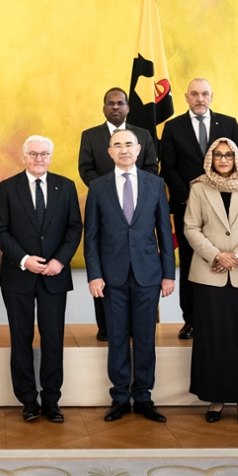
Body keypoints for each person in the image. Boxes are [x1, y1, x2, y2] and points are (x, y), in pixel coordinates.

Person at [84, 128, 175, 423]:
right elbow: (92, 237)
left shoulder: (155, 183)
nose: (124, 150)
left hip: (149, 274)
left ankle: (144, 396)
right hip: (112, 278)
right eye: (117, 145)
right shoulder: (98, 188)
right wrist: (94, 275)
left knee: (146, 339)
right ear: (109, 152)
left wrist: (168, 274)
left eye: (129, 145)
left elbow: (164, 231)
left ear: (138, 150)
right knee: (118, 338)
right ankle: (120, 397)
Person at [0, 135, 82, 423]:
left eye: (44, 154)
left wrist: (59, 261)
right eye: (33, 154)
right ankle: (28, 400)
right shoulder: (7, 187)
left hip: (55, 275)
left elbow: (74, 228)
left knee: (53, 339)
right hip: (19, 276)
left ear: (51, 157)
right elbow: (0, 230)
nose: (39, 158)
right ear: (24, 156)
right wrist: (24, 260)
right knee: (21, 339)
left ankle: (52, 400)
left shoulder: (65, 187)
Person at [183, 140, 238, 426]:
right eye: (218, 155)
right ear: (210, 158)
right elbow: (191, 227)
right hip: (209, 272)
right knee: (211, 338)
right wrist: (216, 255)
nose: (223, 159)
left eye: (228, 154)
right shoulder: (199, 187)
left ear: (236, 158)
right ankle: (215, 398)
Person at [159, 78, 238, 339]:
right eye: (194, 94)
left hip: (225, 208)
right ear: (186, 97)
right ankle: (192, 320)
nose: (200, 98)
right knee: (191, 263)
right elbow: (169, 168)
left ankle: (221, 319)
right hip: (188, 207)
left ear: (212, 96)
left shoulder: (228, 123)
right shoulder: (173, 127)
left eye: (204, 93)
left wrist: (222, 197)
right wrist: (189, 197)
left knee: (224, 259)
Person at [78, 87, 159, 342]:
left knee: (136, 269)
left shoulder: (143, 135)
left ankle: (137, 327)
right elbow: (85, 169)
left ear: (127, 107)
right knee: (106, 266)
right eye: (111, 103)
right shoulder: (90, 136)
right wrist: (108, 189)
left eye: (120, 103)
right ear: (104, 107)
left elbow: (151, 168)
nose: (116, 107)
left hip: (137, 210)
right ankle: (105, 326)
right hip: (104, 210)